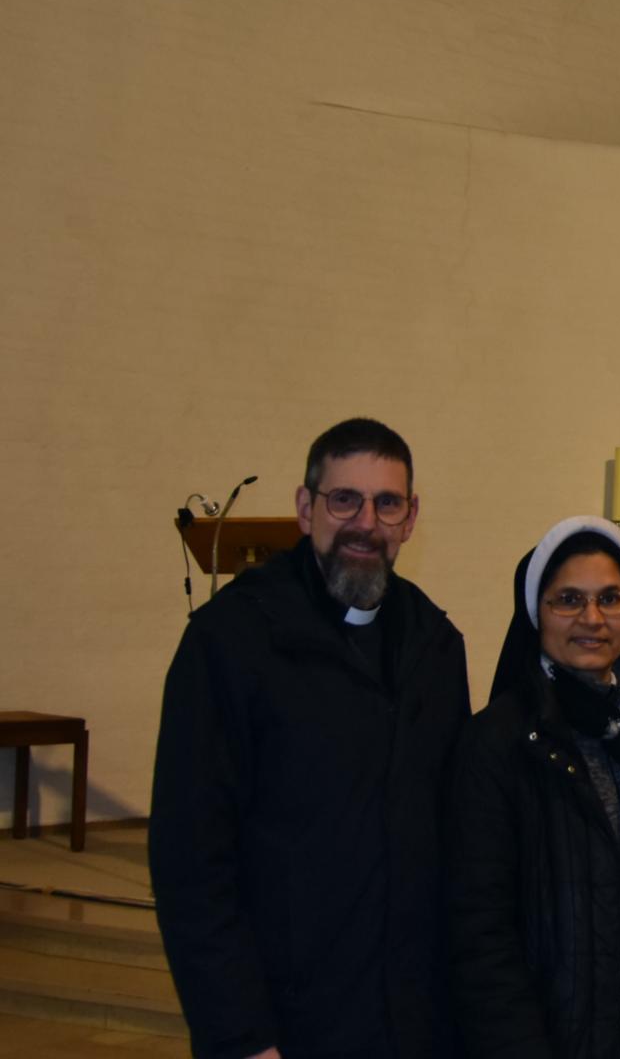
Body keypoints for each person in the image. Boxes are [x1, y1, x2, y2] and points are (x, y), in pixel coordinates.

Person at [150, 418, 471, 1059]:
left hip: (412, 1021)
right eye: (344, 499)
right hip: (287, 1023)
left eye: (388, 503)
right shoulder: (231, 640)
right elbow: (191, 859)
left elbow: (449, 834)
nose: (365, 523)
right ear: (305, 508)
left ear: (411, 518)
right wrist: (240, 1035)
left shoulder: (436, 644)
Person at [446, 516, 620, 1059]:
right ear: (535, 614)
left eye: (610, 599)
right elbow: (479, 931)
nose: (592, 619)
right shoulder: (497, 743)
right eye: (568, 599)